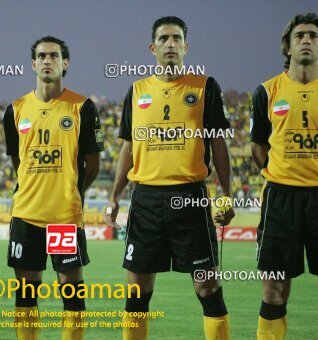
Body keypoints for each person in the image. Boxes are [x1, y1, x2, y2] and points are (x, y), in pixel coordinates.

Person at [104, 16, 235, 339]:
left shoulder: (205, 87)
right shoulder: (136, 91)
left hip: (190, 196)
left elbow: (218, 144)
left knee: (207, 286)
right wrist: (114, 197)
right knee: (137, 291)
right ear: (152, 48)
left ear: (186, 46)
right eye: (163, 39)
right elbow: (128, 148)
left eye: (177, 38)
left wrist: (226, 193)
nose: (171, 44)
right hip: (145, 199)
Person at [3, 36, 104, 340]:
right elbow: (18, 161)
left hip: (64, 218)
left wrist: (67, 193)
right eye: (41, 56)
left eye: (54, 56)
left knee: (71, 294)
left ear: (65, 63)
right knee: (25, 294)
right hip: (26, 216)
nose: (47, 60)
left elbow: (92, 165)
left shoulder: (82, 107)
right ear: (33, 64)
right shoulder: (15, 109)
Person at [250, 12, 318, 340]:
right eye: (300, 36)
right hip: (281, 200)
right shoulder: (266, 91)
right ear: (288, 47)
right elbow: (258, 148)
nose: (306, 40)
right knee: (274, 290)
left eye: (313, 36)